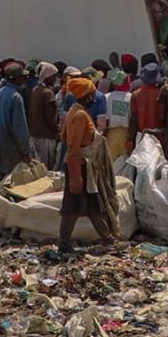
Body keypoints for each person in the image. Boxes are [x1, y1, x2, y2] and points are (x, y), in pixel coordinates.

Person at [58, 78, 120, 253]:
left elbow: (63, 136)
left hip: (81, 165)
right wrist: (76, 174)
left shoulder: (73, 111)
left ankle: (108, 239)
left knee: (92, 204)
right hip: (80, 166)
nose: (94, 96)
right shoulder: (80, 116)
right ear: (86, 96)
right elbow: (73, 147)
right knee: (73, 206)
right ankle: (64, 242)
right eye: (92, 93)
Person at [0, 63, 31, 178]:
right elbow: (19, 127)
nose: (24, 79)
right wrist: (25, 151)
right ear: (17, 78)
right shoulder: (16, 97)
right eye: (23, 77)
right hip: (10, 145)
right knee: (10, 180)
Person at [28, 62, 60, 169]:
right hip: (45, 137)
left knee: (36, 167)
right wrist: (56, 132)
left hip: (33, 135)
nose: (55, 79)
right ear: (48, 77)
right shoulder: (48, 93)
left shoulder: (35, 90)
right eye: (54, 76)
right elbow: (51, 119)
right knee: (45, 168)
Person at [127, 63, 164, 153]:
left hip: (142, 136)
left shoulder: (136, 95)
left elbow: (133, 120)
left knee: (141, 165)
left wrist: (130, 140)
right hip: (158, 136)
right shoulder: (161, 93)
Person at [105, 69, 132, 161]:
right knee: (124, 166)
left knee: (110, 163)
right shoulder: (131, 97)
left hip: (111, 133)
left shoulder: (107, 97)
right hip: (126, 134)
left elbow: (106, 119)